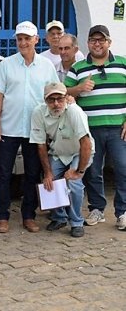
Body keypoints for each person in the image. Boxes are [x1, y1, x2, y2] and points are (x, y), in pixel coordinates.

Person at [0, 21, 59, 234]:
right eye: (19, 39)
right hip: (9, 128)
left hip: (35, 131)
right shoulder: (6, 65)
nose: (23, 42)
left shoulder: (46, 66)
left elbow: (54, 92)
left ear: (36, 40)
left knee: (32, 173)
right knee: (3, 174)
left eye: (27, 39)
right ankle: (2, 216)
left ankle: (28, 215)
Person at [64, 25, 126, 230]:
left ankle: (122, 212)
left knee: (122, 169)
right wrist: (80, 88)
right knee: (93, 171)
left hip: (118, 128)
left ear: (109, 42)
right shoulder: (79, 67)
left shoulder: (123, 64)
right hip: (89, 130)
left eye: (101, 40)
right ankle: (97, 209)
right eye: (93, 40)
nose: (97, 44)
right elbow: (64, 93)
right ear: (87, 43)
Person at [30, 82, 94, 238]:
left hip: (79, 152)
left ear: (66, 97)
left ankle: (76, 222)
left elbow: (85, 143)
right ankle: (59, 217)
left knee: (74, 183)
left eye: (59, 98)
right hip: (58, 152)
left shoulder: (74, 111)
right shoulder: (38, 112)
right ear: (45, 101)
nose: (56, 103)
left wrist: (78, 171)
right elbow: (41, 145)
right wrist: (48, 173)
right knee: (50, 181)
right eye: (51, 100)